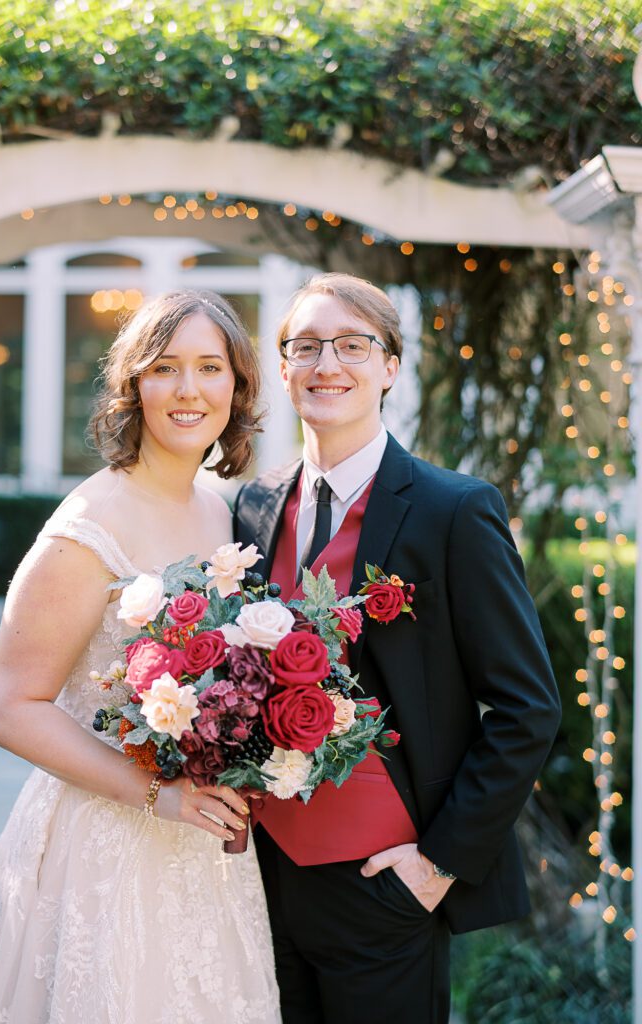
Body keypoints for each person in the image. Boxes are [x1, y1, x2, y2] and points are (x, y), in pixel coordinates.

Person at [0, 291, 281, 1024]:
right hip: (106, 845)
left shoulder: (226, 510)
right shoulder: (88, 527)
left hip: (205, 850)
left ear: (237, 388)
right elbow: (10, 708)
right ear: (135, 387)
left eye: (210, 368)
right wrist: (160, 795)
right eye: (166, 368)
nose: (189, 389)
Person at [234, 272, 561, 1024]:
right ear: (283, 369)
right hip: (259, 877)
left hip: (386, 881)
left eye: (354, 344)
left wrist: (437, 864)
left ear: (391, 367)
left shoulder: (454, 510)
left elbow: (528, 709)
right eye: (306, 346)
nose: (328, 365)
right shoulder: (251, 506)